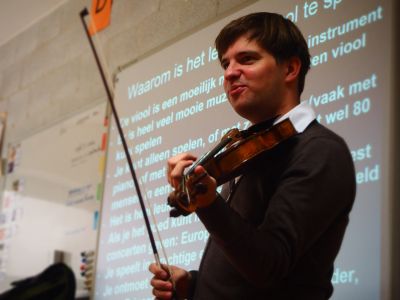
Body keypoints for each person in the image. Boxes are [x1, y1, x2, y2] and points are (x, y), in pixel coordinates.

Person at [149, 12, 356, 300]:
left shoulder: (319, 150)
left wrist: (209, 203)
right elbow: (243, 274)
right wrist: (193, 284)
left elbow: (269, 265)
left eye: (246, 59)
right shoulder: (251, 150)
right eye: (225, 63)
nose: (229, 72)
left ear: (290, 69)